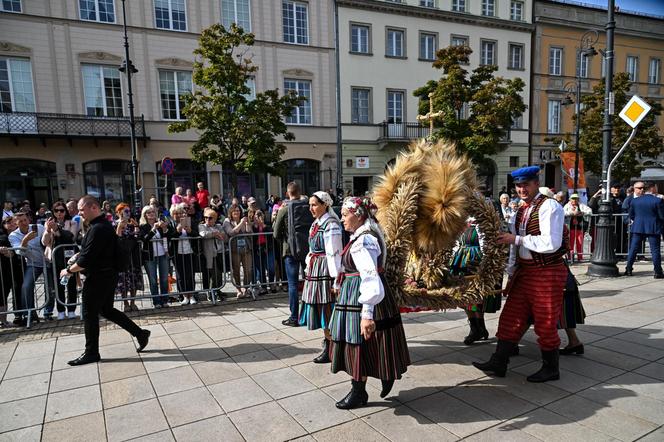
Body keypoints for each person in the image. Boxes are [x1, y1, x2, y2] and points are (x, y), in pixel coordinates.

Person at [473, 166, 568, 383]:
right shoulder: (520, 211)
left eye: (526, 184)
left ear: (536, 183)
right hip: (525, 272)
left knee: (545, 321)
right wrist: (511, 271)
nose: (522, 189)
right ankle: (499, 362)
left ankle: (551, 367)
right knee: (510, 317)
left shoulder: (550, 206)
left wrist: (515, 239)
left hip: (548, 271)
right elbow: (515, 248)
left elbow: (551, 243)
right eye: (518, 185)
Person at [330, 197, 410, 409]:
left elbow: (369, 276)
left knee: (361, 343)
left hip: (364, 296)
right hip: (356, 295)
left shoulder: (364, 241)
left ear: (358, 216)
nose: (342, 219)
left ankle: (359, 391)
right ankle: (377, 378)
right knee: (366, 343)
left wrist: (366, 314)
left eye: (345, 215)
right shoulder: (362, 235)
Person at [60, 195, 150, 366]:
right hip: (106, 275)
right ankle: (140, 334)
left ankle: (91, 352)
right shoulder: (99, 226)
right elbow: (91, 251)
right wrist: (79, 256)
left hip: (100, 277)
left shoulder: (99, 228)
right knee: (106, 310)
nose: (79, 213)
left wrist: (68, 271)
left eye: (81, 209)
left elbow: (87, 259)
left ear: (93, 207)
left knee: (89, 313)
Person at [299, 191, 343, 363]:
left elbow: (334, 253)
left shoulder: (331, 225)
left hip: (325, 271)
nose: (311, 208)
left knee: (327, 309)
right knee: (321, 309)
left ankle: (332, 347)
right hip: (316, 269)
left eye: (314, 205)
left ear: (325, 205)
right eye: (310, 205)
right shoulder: (316, 223)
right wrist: (308, 264)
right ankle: (329, 344)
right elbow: (312, 249)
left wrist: (336, 279)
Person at [274, 182, 311, 326]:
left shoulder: (284, 209)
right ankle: (308, 315)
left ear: (288, 193)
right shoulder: (308, 206)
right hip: (307, 249)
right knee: (309, 282)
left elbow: (276, 233)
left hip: (289, 250)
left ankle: (294, 317)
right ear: (300, 191)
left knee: (293, 285)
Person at [41, 202, 78, 320]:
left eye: (62, 210)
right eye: (56, 210)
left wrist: (57, 230)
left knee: (71, 284)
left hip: (69, 258)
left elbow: (71, 236)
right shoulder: (49, 224)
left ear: (65, 211)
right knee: (59, 286)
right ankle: (61, 310)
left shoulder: (72, 222)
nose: (59, 213)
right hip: (55, 258)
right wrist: (47, 230)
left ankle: (71, 309)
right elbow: (44, 242)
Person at [8, 211, 45, 325]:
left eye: (25, 220)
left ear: (29, 219)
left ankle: (48, 312)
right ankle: (29, 314)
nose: (24, 223)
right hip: (33, 264)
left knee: (50, 287)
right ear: (16, 223)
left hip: (47, 262)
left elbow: (49, 241)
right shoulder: (13, 235)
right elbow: (19, 252)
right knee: (26, 286)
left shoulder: (38, 227)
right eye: (21, 221)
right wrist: (25, 240)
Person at [624, 181, 664, 278]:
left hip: (638, 227)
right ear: (652, 188)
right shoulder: (657, 201)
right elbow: (662, 216)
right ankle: (658, 272)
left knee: (633, 249)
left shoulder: (635, 201)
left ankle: (628, 269)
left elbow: (631, 215)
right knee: (655, 250)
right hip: (653, 228)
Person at [139, 205, 173, 308]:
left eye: (153, 212)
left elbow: (170, 235)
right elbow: (144, 239)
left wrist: (165, 228)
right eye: (149, 212)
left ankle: (165, 299)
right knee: (153, 280)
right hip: (150, 256)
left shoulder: (160, 224)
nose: (151, 214)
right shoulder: (143, 227)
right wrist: (153, 229)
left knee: (164, 279)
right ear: (145, 215)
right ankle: (156, 301)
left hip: (163, 254)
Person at [113, 204, 144, 312]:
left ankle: (133, 302)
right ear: (119, 212)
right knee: (123, 282)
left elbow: (138, 238)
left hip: (133, 257)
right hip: (122, 257)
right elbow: (115, 240)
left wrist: (136, 227)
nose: (128, 213)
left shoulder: (131, 225)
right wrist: (119, 228)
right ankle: (126, 303)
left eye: (128, 211)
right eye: (125, 211)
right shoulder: (114, 224)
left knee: (134, 280)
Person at [169, 203, 198, 304]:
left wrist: (190, 231)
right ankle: (185, 295)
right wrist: (177, 231)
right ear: (172, 214)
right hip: (177, 253)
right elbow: (169, 236)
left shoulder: (190, 222)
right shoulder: (171, 224)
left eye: (180, 213)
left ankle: (192, 295)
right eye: (176, 213)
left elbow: (197, 234)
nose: (178, 215)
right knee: (181, 276)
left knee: (190, 275)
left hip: (190, 252)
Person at [223, 204, 253, 299]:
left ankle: (246, 288)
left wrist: (247, 224)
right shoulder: (227, 221)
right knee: (236, 270)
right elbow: (231, 232)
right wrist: (241, 223)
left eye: (238, 210)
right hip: (234, 249)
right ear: (231, 212)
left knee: (248, 270)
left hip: (246, 248)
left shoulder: (244, 220)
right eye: (235, 211)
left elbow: (250, 233)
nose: (237, 212)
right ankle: (238, 289)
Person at [199, 208, 226, 300]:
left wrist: (216, 233)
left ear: (214, 218)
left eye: (210, 218)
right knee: (214, 274)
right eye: (206, 217)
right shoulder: (202, 226)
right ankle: (211, 293)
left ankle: (217, 291)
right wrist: (214, 234)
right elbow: (203, 234)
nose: (207, 219)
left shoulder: (218, 226)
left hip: (219, 253)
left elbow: (223, 236)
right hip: (210, 254)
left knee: (219, 274)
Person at [0, 217, 22, 327]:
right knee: (2, 294)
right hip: (3, 269)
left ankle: (17, 315)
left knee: (16, 291)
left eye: (14, 222)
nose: (12, 224)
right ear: (3, 224)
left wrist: (11, 253)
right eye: (8, 222)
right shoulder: (2, 236)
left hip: (16, 268)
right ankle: (3, 321)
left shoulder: (18, 234)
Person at [252, 210, 275, 294]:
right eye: (256, 215)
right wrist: (256, 225)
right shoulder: (253, 227)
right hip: (258, 249)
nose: (258, 216)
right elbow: (252, 237)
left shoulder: (267, 224)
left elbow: (270, 233)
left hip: (267, 248)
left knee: (271, 268)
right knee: (260, 269)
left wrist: (263, 225)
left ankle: (272, 283)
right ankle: (264, 287)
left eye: (260, 214)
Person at [563, 194, 591, 261]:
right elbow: (563, 212)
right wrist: (571, 213)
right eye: (573, 198)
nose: (574, 200)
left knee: (580, 242)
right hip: (570, 227)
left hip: (579, 227)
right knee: (570, 243)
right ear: (570, 199)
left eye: (576, 198)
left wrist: (582, 212)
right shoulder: (567, 206)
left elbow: (589, 211)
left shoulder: (581, 205)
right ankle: (570, 257)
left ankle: (580, 257)